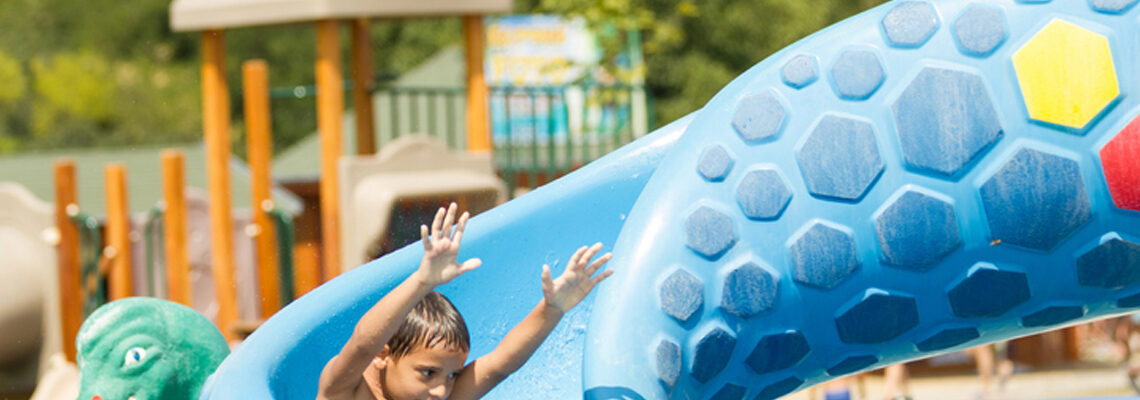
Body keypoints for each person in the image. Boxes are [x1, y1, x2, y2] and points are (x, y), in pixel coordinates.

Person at [317, 203, 614, 400]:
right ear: (383, 355)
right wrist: (422, 281)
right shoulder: (346, 390)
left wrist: (552, 309)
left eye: (453, 375)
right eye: (428, 373)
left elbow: (499, 364)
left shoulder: (438, 395)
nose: (442, 389)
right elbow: (362, 344)